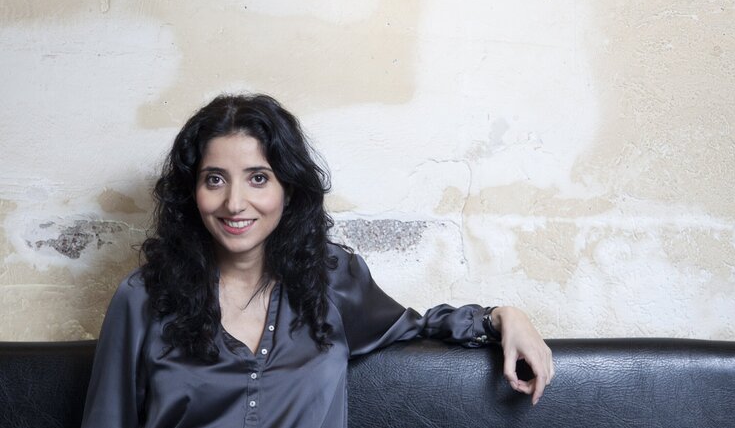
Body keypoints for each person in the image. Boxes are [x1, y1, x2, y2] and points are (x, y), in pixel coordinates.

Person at [81, 93, 554, 428]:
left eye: (258, 178)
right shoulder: (143, 298)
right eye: (215, 179)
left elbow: (417, 326)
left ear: (288, 189)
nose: (235, 203)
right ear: (192, 192)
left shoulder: (333, 280)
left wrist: (501, 317)